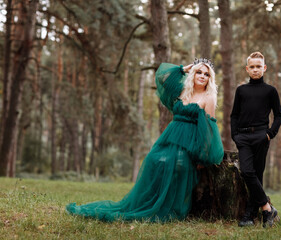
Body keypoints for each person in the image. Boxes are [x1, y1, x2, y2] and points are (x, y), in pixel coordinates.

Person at [66, 58, 224, 222]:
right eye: (199, 72)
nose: (202, 76)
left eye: (206, 74)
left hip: (189, 141)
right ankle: (145, 203)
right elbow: (163, 78)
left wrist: (203, 153)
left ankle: (166, 206)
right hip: (171, 137)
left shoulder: (209, 97)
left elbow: (210, 127)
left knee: (176, 165)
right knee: (152, 161)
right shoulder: (183, 90)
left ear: (210, 78)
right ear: (193, 73)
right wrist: (184, 69)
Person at [230, 52, 281, 228]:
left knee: (257, 175)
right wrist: (235, 135)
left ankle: (249, 216)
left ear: (264, 68)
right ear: (247, 69)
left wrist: (269, 134)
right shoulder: (241, 90)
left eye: (258, 66)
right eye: (252, 67)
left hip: (261, 136)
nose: (255, 69)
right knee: (247, 172)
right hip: (243, 137)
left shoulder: (270, 91)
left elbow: (279, 116)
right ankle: (267, 209)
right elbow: (234, 115)